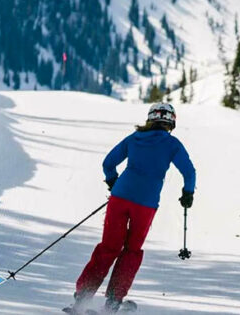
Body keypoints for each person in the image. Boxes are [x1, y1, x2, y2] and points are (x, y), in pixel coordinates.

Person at [68, 103, 196, 313]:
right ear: (172, 121)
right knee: (131, 251)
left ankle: (83, 296)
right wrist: (187, 194)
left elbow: (108, 163)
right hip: (145, 205)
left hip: (120, 198)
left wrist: (113, 182)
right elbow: (189, 172)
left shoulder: (134, 138)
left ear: (150, 118)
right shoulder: (173, 144)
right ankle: (113, 302)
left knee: (109, 246)